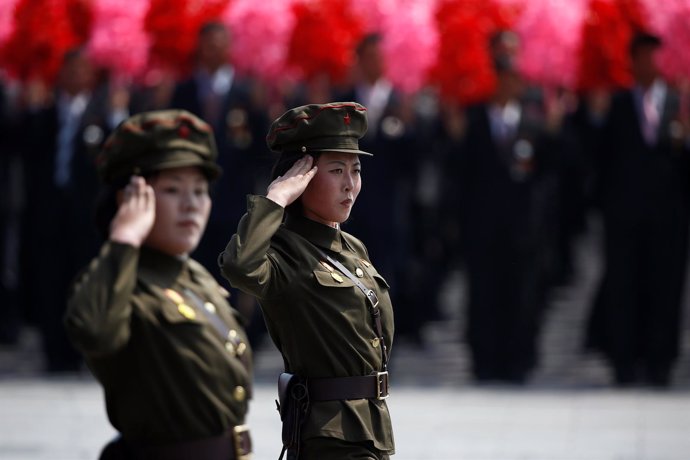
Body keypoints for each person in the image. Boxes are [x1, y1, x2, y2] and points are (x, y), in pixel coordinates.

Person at [64, 109, 253, 459]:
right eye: (172, 190)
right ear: (131, 199)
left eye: (200, 190)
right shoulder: (118, 280)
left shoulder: (194, 277)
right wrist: (124, 239)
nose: (191, 205)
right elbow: (93, 332)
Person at [219, 102, 395, 459]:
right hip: (328, 436)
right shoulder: (285, 250)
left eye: (355, 170)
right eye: (336, 170)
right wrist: (276, 199)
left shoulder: (350, 245)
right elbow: (239, 266)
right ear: (303, 177)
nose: (350, 185)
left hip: (369, 431)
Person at [585, 32, 690, 387]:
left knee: (665, 289)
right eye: (643, 56)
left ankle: (661, 362)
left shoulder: (679, 104)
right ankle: (624, 362)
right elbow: (597, 158)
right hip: (624, 215)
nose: (650, 63)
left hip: (668, 216)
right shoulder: (615, 104)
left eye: (655, 56)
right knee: (623, 287)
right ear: (631, 61)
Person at [18, 47, 128, 372]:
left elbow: (120, 156)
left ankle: (83, 350)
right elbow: (24, 148)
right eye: (71, 69)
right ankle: (54, 351)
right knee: (51, 281)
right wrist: (31, 107)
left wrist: (116, 116)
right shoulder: (46, 113)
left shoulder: (103, 113)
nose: (77, 76)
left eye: (83, 70)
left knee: (85, 280)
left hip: (88, 215)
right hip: (48, 215)